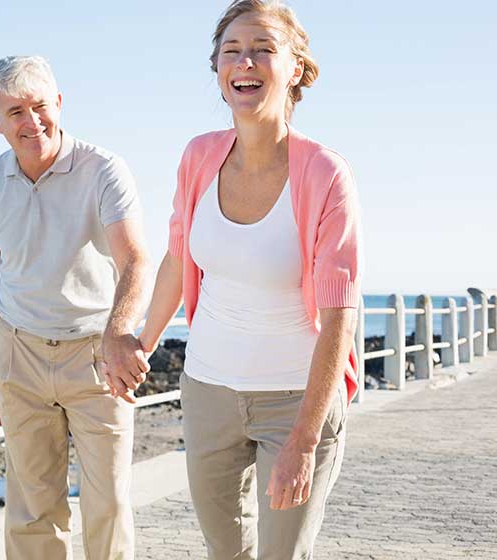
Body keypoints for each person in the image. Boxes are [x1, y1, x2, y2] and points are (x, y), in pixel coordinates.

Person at [135, 2, 362, 558]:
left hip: (296, 400)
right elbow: (176, 259)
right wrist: (138, 344)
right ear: (217, 68)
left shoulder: (324, 173)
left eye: (263, 48)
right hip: (208, 390)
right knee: (225, 552)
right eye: (232, 50)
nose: (246, 61)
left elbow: (340, 313)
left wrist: (305, 441)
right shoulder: (198, 156)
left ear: (296, 69)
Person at [0, 55, 151, 560]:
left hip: (97, 356)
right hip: (19, 355)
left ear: (60, 104)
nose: (32, 123)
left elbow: (135, 259)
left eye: (40, 107)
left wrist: (118, 333)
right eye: (16, 113)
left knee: (108, 503)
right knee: (31, 508)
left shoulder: (103, 170)